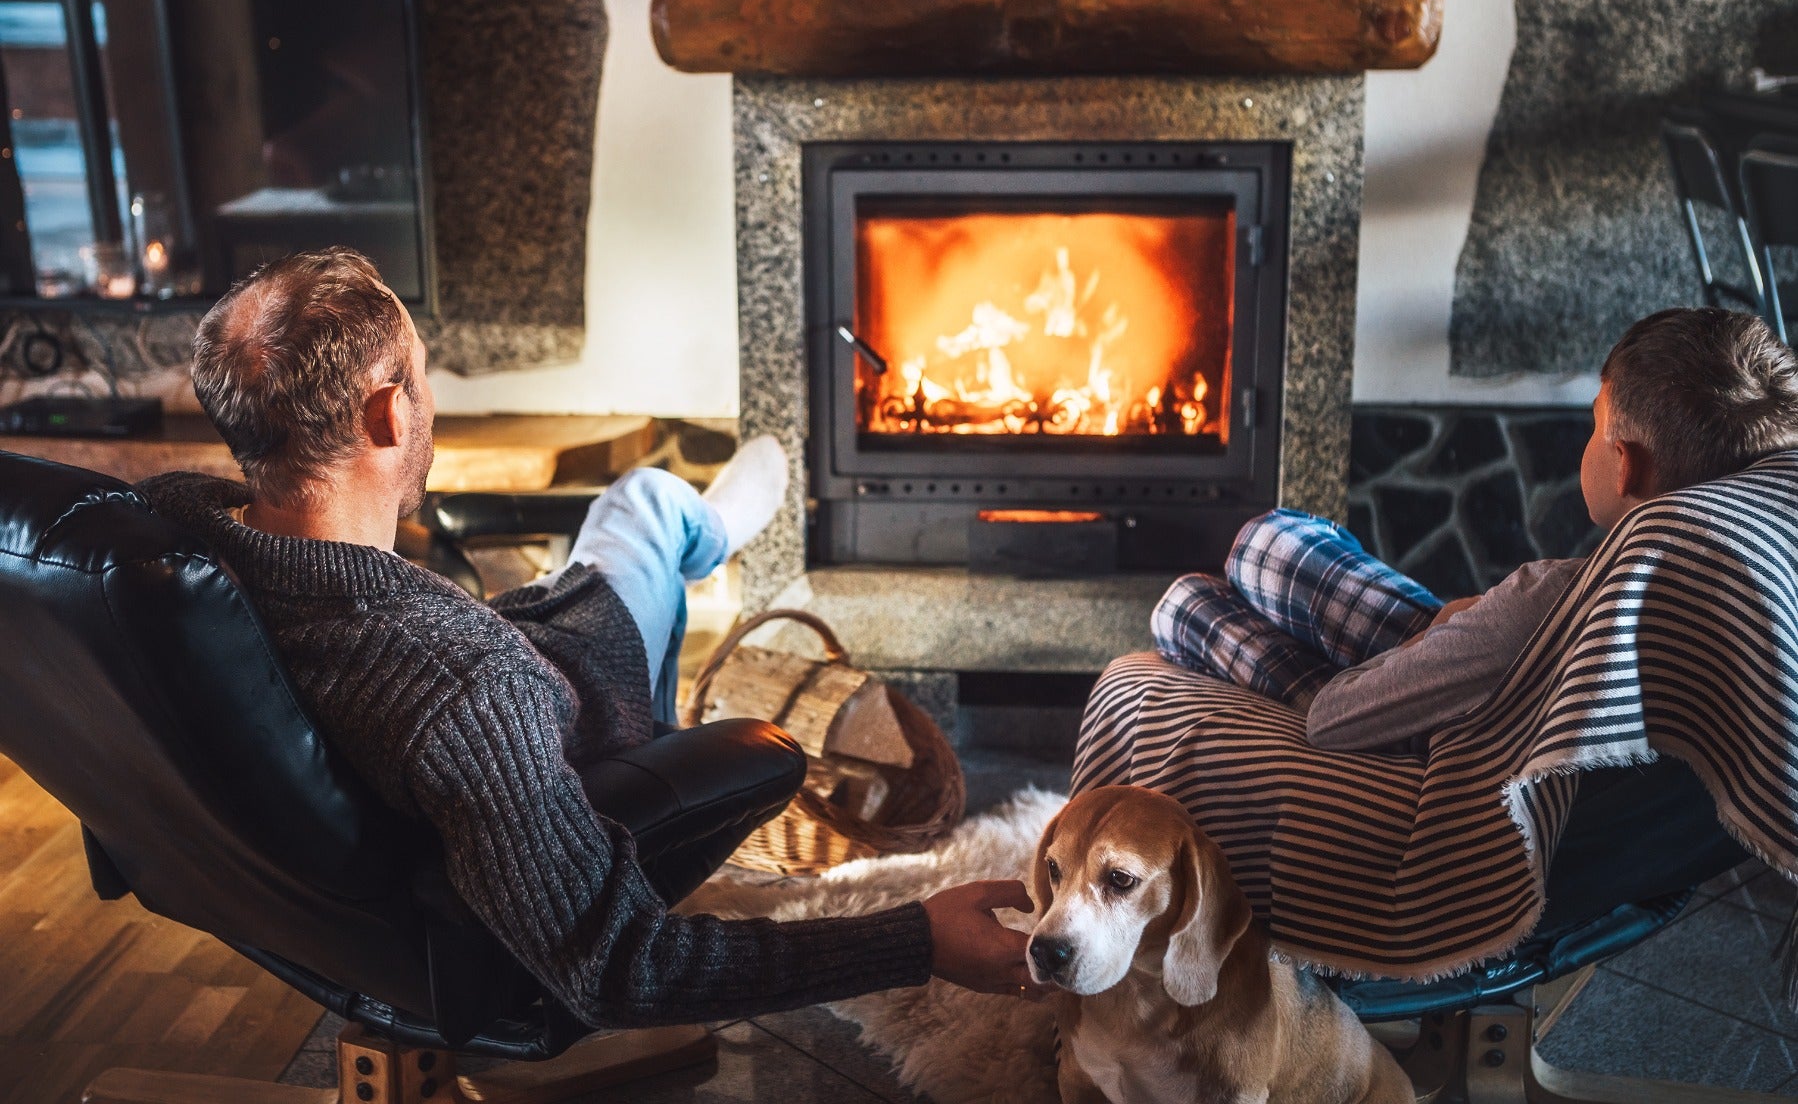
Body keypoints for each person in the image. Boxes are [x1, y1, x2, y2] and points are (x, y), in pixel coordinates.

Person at [138, 247, 1040, 1030]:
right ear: (386, 418)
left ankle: (698, 532)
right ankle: (704, 534)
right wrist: (917, 937)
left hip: (488, 663)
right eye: (422, 376)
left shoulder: (164, 537)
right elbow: (620, 969)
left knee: (629, 516)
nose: (430, 403)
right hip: (579, 711)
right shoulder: (463, 691)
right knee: (639, 509)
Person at [1153, 306, 1798, 756]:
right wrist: (1465, 626)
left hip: (1425, 728)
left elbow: (1332, 719)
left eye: (1593, 424)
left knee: (1196, 593)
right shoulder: (1757, 579)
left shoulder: (1548, 606)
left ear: (1625, 465)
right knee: (1261, 549)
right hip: (1488, 674)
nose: (1587, 443)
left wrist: (1450, 640)